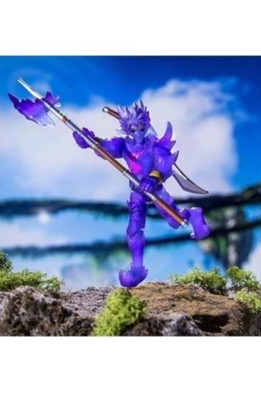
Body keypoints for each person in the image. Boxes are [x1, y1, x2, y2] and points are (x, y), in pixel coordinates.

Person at [73, 101, 210, 287]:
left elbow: (164, 165)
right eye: (133, 128)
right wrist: (91, 141)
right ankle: (137, 270)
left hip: (156, 190)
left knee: (174, 221)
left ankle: (193, 214)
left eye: (141, 127)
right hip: (137, 192)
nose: (137, 132)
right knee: (133, 230)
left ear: (147, 125)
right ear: (126, 128)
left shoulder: (155, 145)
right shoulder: (123, 145)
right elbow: (106, 148)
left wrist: (154, 178)